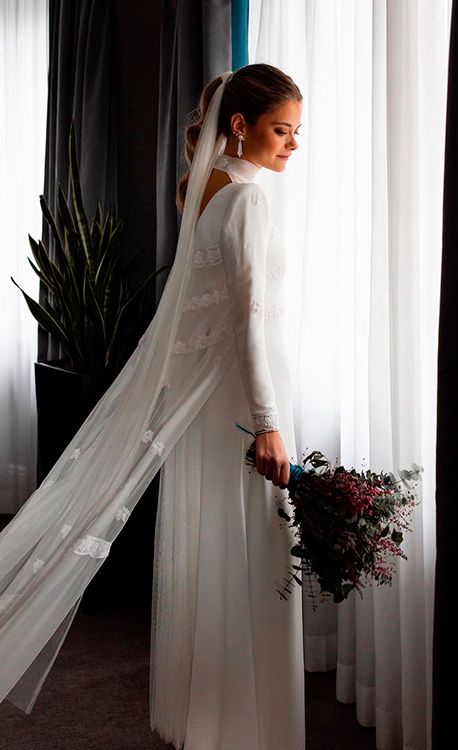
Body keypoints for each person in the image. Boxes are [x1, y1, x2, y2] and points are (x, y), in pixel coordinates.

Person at [0, 64, 305, 750]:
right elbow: (250, 322)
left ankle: (208, 715)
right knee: (251, 551)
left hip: (208, 399)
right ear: (240, 125)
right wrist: (269, 424)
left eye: (295, 132)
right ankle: (249, 725)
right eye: (282, 130)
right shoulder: (247, 202)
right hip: (242, 399)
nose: (292, 146)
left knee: (215, 550)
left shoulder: (209, 192)